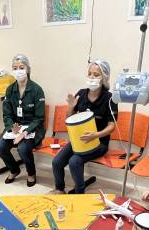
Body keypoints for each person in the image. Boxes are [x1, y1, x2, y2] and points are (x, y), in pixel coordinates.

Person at [50, 59, 117, 194]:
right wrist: (71, 107)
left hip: (99, 142)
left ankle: (79, 193)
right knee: (57, 162)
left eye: (96, 75)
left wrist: (95, 135)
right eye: (90, 74)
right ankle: (59, 189)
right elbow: (69, 119)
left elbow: (112, 126)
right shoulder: (81, 93)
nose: (92, 77)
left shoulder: (110, 98)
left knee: (75, 161)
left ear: (104, 77)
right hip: (79, 140)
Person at [0, 54, 46, 187]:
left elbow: (39, 118)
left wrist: (24, 133)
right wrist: (12, 127)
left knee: (23, 148)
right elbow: (7, 114)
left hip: (33, 128)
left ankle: (31, 173)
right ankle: (14, 169)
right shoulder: (10, 90)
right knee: (0, 147)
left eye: (21, 67)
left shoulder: (37, 90)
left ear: (27, 69)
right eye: (15, 68)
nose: (18, 70)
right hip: (15, 128)